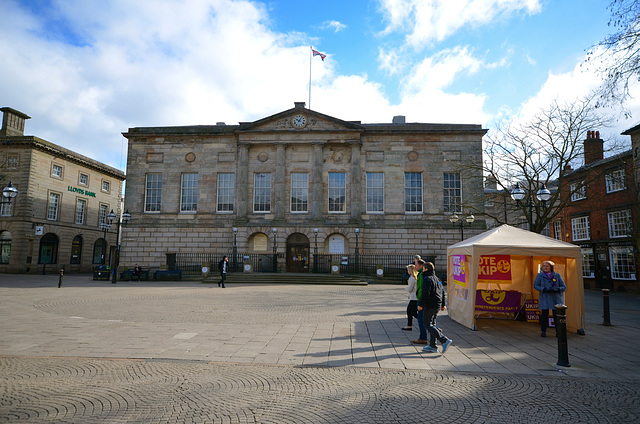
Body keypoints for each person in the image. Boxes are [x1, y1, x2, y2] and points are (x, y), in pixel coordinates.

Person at [418, 262, 453, 354]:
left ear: (425, 269)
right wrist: (443, 304)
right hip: (437, 304)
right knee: (432, 324)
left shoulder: (427, 279)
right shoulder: (437, 279)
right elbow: (442, 292)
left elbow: (426, 293)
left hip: (430, 304)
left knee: (427, 324)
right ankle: (433, 346)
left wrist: (421, 304)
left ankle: (444, 340)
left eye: (423, 269)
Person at [533, 260, 566, 337]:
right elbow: (535, 285)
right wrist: (543, 289)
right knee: (544, 314)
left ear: (551, 267)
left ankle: (558, 332)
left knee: (556, 315)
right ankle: (543, 331)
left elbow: (563, 286)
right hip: (545, 297)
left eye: (547, 266)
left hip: (555, 298)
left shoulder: (557, 276)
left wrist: (557, 289)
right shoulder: (540, 276)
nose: (545, 268)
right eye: (544, 266)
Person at [412, 259, 429, 344]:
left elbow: (423, 289)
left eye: (416, 265)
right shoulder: (421, 274)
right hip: (422, 299)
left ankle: (423, 337)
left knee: (421, 319)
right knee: (426, 319)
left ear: (421, 266)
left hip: (422, 300)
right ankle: (435, 329)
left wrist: (421, 302)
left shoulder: (422, 275)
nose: (415, 267)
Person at [402, 264, 418, 331]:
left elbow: (409, 289)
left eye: (408, 270)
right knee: (410, 311)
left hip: (413, 297)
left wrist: (405, 288)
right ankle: (409, 325)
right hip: (415, 297)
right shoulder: (416, 277)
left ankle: (428, 324)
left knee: (413, 312)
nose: (407, 271)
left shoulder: (411, 278)